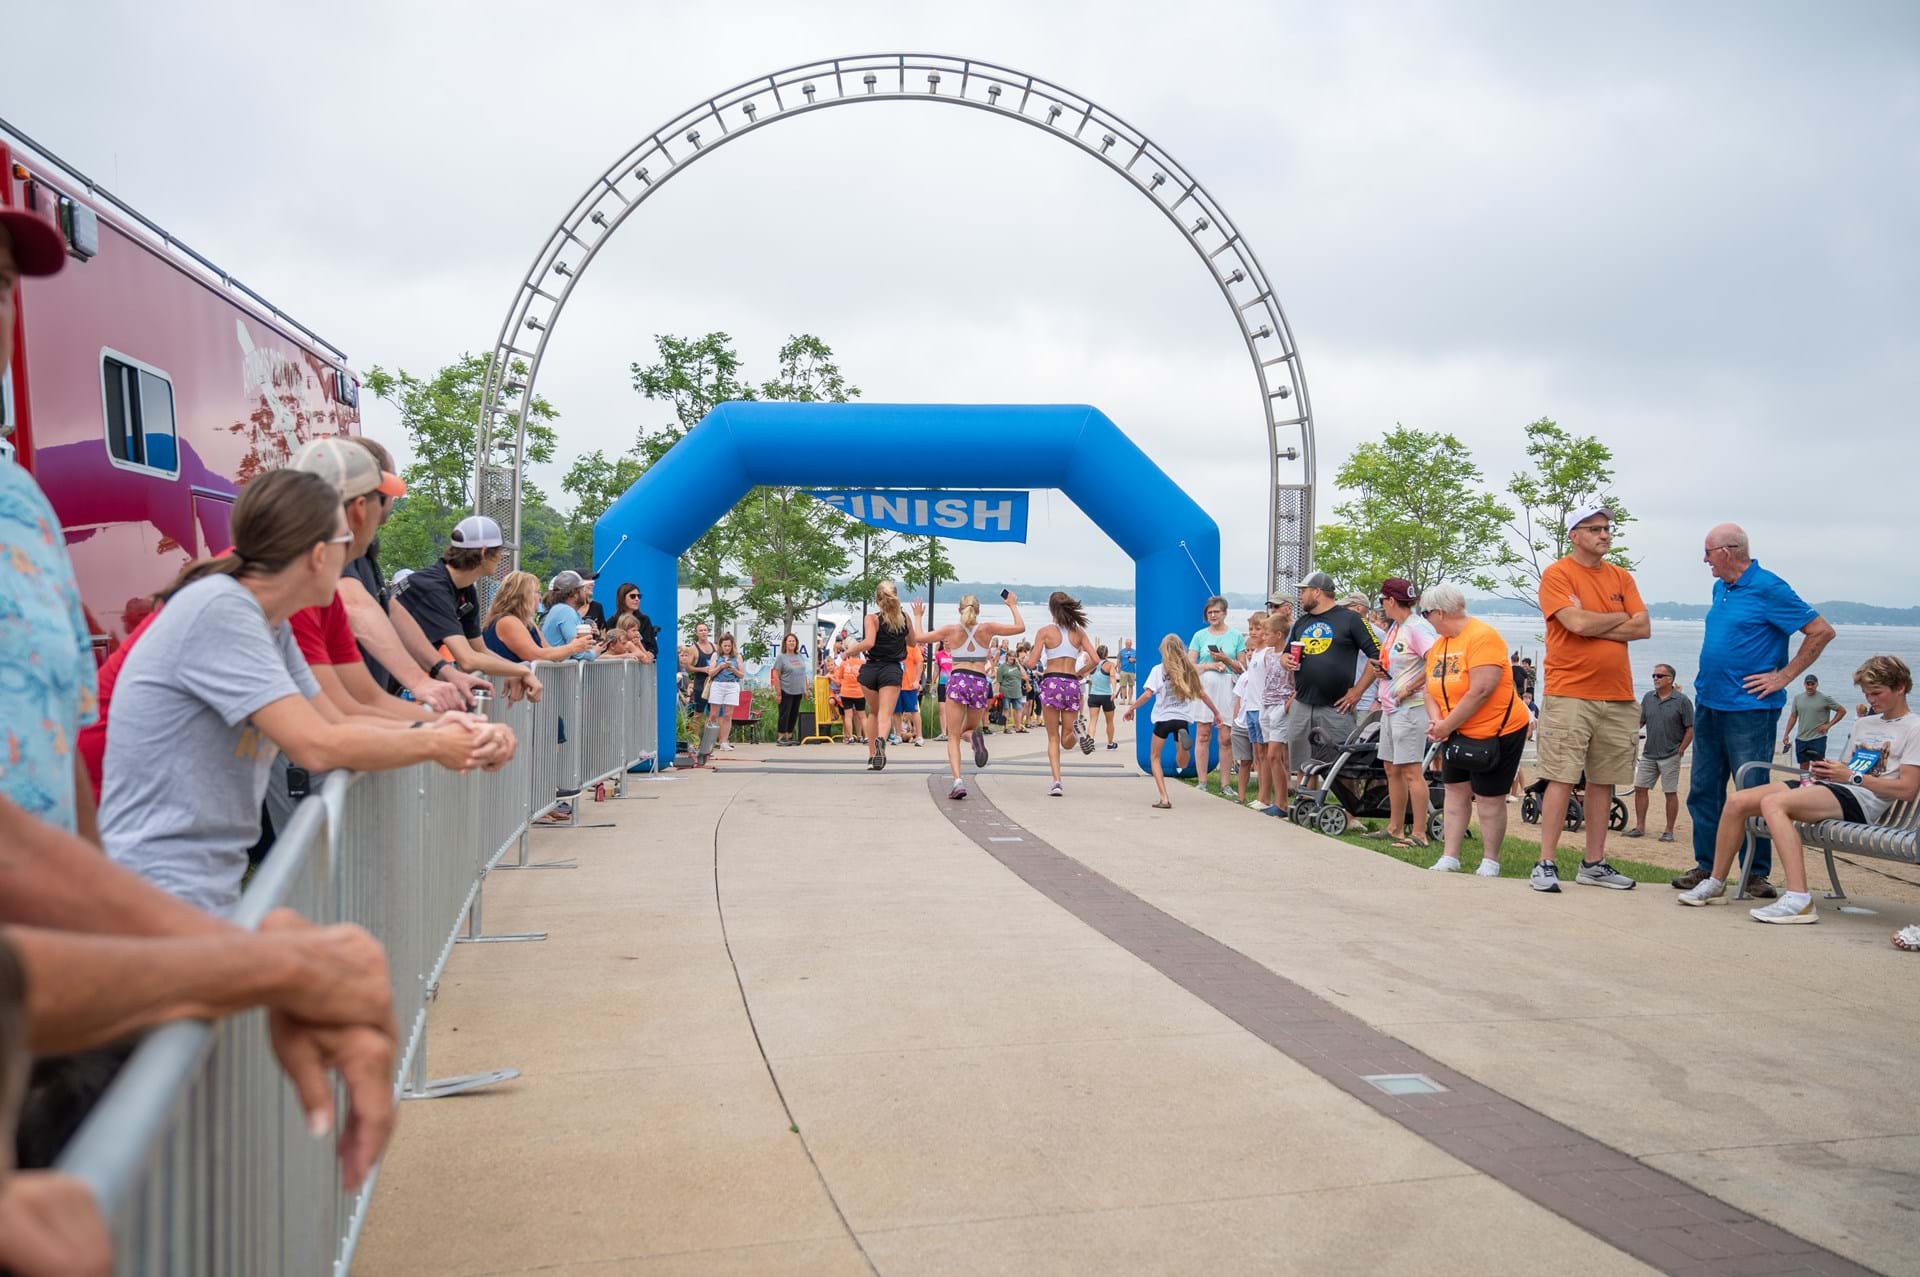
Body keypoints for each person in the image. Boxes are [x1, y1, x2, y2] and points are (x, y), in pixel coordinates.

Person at [99, 470, 508, 916]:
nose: (352, 559)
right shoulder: (223, 610)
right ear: (318, 555)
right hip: (153, 889)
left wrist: (458, 728)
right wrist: (435, 742)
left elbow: (338, 717)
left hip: (195, 885)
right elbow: (314, 745)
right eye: (344, 545)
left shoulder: (267, 621)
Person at [1680, 656, 1920, 924]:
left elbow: (1907, 789)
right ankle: (1716, 882)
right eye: (1866, 693)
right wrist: (1832, 768)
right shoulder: (1864, 723)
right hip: (1834, 787)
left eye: (1877, 693)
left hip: (1861, 800)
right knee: (1738, 801)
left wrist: (1851, 777)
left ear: (1900, 687)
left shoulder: (1914, 727)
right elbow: (1852, 767)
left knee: (1774, 804)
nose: (1871, 699)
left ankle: (1799, 898)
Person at [1680, 524, 1835, 895]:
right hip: (1710, 705)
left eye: (1708, 552)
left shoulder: (1768, 587)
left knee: (1751, 789)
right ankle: (1707, 867)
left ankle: (1753, 872)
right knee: (1703, 789)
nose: (1704, 560)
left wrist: (1783, 677)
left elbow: (1821, 631)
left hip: (1750, 711)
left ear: (1728, 552)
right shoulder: (1722, 588)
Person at [1529, 505, 1649, 893]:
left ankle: (1593, 863)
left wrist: (1593, 620)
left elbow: (1643, 626)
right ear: (1574, 535)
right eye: (1595, 529)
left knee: (1605, 781)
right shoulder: (1558, 574)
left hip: (1618, 695)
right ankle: (1546, 862)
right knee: (1560, 776)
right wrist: (1617, 617)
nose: (1604, 535)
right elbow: (1574, 623)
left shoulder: (1621, 576)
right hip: (1570, 693)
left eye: (1607, 528)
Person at [1421, 585, 1531, 878]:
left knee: (1489, 796)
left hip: (1498, 729)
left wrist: (1447, 724)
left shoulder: (1483, 637)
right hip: (1456, 730)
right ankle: (1450, 856)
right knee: (1455, 791)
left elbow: (1481, 689)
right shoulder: (1439, 646)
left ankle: (1490, 860)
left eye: (1426, 613)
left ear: (1440, 612)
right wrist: (1437, 723)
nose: (1426, 619)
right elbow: (1429, 689)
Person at [391, 516, 544, 697]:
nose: (502, 556)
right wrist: (522, 671)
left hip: (389, 679)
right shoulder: (433, 587)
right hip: (365, 676)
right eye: (499, 550)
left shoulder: (465, 590)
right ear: (483, 552)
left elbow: (480, 649)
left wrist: (512, 669)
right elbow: (468, 660)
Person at [915, 592, 1026, 800]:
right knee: (969, 729)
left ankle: (957, 781)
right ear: (979, 610)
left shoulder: (951, 630)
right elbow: (1020, 627)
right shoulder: (988, 629)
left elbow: (918, 638)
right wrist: (1012, 605)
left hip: (958, 680)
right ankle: (974, 737)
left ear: (959, 610)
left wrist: (919, 616)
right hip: (978, 682)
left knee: (953, 735)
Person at [1282, 571, 1380, 770]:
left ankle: (1346, 801)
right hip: (1302, 702)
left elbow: (1377, 656)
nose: (1300, 596)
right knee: (1303, 765)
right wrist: (1285, 660)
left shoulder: (1351, 619)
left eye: (1303, 591)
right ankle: (1306, 800)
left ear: (1317, 592)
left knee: (1341, 767)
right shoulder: (1302, 622)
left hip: (1336, 706)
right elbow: (1285, 653)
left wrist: (1357, 692)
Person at [1371, 579, 1438, 848]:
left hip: (1411, 707)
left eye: (1383, 601)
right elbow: (1399, 661)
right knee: (1391, 767)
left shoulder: (1416, 627)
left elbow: (1435, 658)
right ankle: (1395, 827)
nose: (1382, 606)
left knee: (1411, 769)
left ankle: (1419, 832)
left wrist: (1411, 686)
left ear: (1390, 600)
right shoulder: (1394, 628)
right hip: (1390, 706)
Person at [1126, 635, 1222, 809]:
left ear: (1164, 650)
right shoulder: (1189, 670)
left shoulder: (1158, 670)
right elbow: (1202, 694)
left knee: (1155, 758)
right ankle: (1183, 745)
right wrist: (1216, 713)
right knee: (1182, 763)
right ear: (1181, 649)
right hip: (1182, 720)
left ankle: (1164, 798)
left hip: (1163, 720)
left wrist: (1132, 708)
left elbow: (1148, 694)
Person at [1025, 592, 1099, 796]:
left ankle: (1057, 781)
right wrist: (1079, 673)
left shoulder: (1045, 632)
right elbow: (1095, 659)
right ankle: (1078, 732)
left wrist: (1026, 662)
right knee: (1067, 739)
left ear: (1051, 609)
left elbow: (1032, 663)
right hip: (1071, 683)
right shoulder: (1079, 632)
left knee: (1052, 737)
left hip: (1051, 682)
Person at [840, 582, 913, 771]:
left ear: (877, 599)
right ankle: (882, 739)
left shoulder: (871, 618)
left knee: (873, 712)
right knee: (885, 713)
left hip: (871, 670)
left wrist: (849, 651)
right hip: (891, 669)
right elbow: (912, 642)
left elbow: (869, 642)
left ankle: (872, 754)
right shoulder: (905, 618)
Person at [1184, 595, 1247, 795]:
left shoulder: (1236, 636)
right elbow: (1189, 665)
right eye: (1210, 612)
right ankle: (1202, 780)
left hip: (1227, 686)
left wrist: (1226, 660)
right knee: (1203, 733)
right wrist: (1211, 664)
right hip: (1205, 687)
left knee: (1225, 737)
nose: (1213, 615)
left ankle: (1225, 783)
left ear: (1224, 613)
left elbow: (1242, 668)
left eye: (1216, 612)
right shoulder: (1200, 636)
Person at [1628, 664, 1694, 842]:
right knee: (1640, 788)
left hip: (1670, 754)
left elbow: (1690, 728)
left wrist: (1681, 750)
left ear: (1670, 679)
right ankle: (1640, 827)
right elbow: (1640, 721)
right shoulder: (1649, 697)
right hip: (1649, 753)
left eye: (1659, 676)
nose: (1655, 679)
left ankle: (1669, 830)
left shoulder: (1682, 701)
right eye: (1654, 675)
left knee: (1669, 792)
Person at [695, 634, 746, 760]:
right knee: (713, 714)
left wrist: (733, 669)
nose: (727, 648)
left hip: (732, 685)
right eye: (725, 646)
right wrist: (720, 666)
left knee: (728, 715)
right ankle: (708, 743)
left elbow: (741, 675)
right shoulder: (715, 655)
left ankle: (724, 741)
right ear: (721, 646)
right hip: (718, 684)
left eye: (729, 646)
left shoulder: (737, 656)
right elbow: (711, 672)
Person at [1781, 675, 1845, 767]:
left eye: (1812, 684)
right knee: (1803, 768)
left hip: (1818, 738)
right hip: (1801, 738)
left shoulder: (1825, 698)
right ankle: (1805, 782)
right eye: (1808, 684)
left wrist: (1828, 725)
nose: (1810, 686)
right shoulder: (1797, 698)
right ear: (1804, 684)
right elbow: (1793, 717)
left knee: (1818, 767)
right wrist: (1786, 734)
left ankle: (1817, 781)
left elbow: (1842, 711)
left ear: (1817, 684)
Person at [540, 571, 599, 662]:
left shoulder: (562, 610)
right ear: (575, 594)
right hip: (558, 673)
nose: (585, 593)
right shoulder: (566, 611)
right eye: (582, 589)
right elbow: (578, 652)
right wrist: (595, 652)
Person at [770, 634, 810, 746]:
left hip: (798, 690)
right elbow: (776, 675)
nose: (792, 643)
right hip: (786, 689)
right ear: (785, 643)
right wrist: (778, 693)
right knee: (785, 713)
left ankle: (789, 735)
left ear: (796, 643)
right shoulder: (781, 657)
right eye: (789, 641)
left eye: (793, 641)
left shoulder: (800, 656)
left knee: (794, 713)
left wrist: (806, 689)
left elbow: (803, 674)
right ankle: (781, 736)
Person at [609, 582, 660, 659]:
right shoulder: (612, 621)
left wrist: (650, 654)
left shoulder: (644, 620)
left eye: (639, 596)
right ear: (622, 599)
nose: (637, 599)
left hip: (641, 666)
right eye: (632, 596)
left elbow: (653, 648)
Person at [1087, 645, 1121, 749]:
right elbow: (1112, 677)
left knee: (1093, 720)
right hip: (1106, 696)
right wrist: (1114, 691)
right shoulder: (1110, 664)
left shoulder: (1091, 665)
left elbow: (1085, 675)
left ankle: (1091, 741)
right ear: (1106, 654)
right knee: (1109, 721)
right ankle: (1110, 743)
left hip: (1093, 695)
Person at [682, 622, 716, 725]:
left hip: (714, 683)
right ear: (696, 633)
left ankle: (710, 739)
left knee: (714, 714)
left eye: (705, 630)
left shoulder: (715, 647)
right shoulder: (693, 649)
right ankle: (695, 740)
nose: (703, 632)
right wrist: (703, 669)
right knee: (698, 714)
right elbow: (688, 668)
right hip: (700, 684)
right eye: (700, 630)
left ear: (708, 632)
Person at [834, 646, 866, 745]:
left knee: (848, 716)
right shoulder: (863, 663)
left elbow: (838, 680)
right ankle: (867, 737)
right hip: (859, 692)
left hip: (846, 692)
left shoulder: (844, 664)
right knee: (863, 716)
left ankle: (850, 737)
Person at [897, 639, 925, 747]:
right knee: (896, 711)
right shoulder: (895, 646)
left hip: (910, 685)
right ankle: (898, 735)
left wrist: (917, 680)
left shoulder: (913, 647)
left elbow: (920, 663)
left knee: (914, 711)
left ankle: (919, 736)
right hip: (896, 685)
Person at [997, 644, 1030, 732]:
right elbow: (999, 681)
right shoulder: (1002, 667)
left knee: (1019, 709)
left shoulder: (1017, 666)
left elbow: (1025, 676)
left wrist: (1019, 664)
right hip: (1006, 691)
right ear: (1007, 657)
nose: (1012, 658)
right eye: (1011, 656)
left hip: (1017, 691)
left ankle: (1018, 727)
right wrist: (998, 693)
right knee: (1006, 709)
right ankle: (1006, 727)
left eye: (1014, 656)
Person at [1116, 639, 1137, 704]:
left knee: (1131, 686)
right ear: (1125, 644)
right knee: (1123, 686)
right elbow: (1118, 660)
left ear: (1131, 644)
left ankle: (1130, 700)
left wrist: (1133, 660)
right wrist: (1119, 669)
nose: (1128, 645)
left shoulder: (1134, 651)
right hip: (1123, 670)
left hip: (1132, 671)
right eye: (1127, 644)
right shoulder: (1121, 651)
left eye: (1130, 644)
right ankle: (1123, 700)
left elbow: (1137, 659)